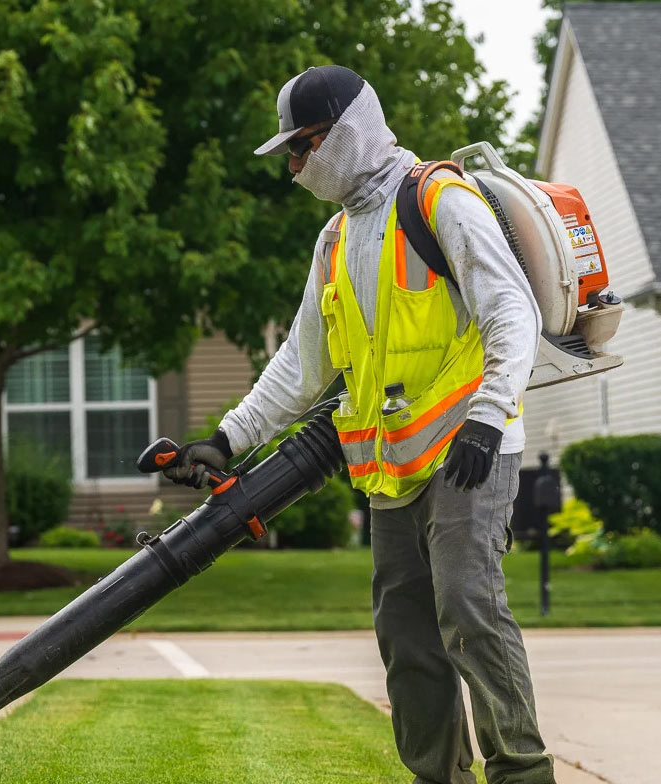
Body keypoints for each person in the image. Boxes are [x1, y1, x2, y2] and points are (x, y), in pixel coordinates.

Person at [164, 65, 555, 784]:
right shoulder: (335, 239)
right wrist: (226, 439)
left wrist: (489, 416)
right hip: (390, 467)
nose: (294, 165)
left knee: (468, 609)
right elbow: (301, 362)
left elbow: (511, 310)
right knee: (405, 637)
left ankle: (523, 775)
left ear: (347, 131)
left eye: (302, 145)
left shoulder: (439, 201)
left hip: (469, 448)